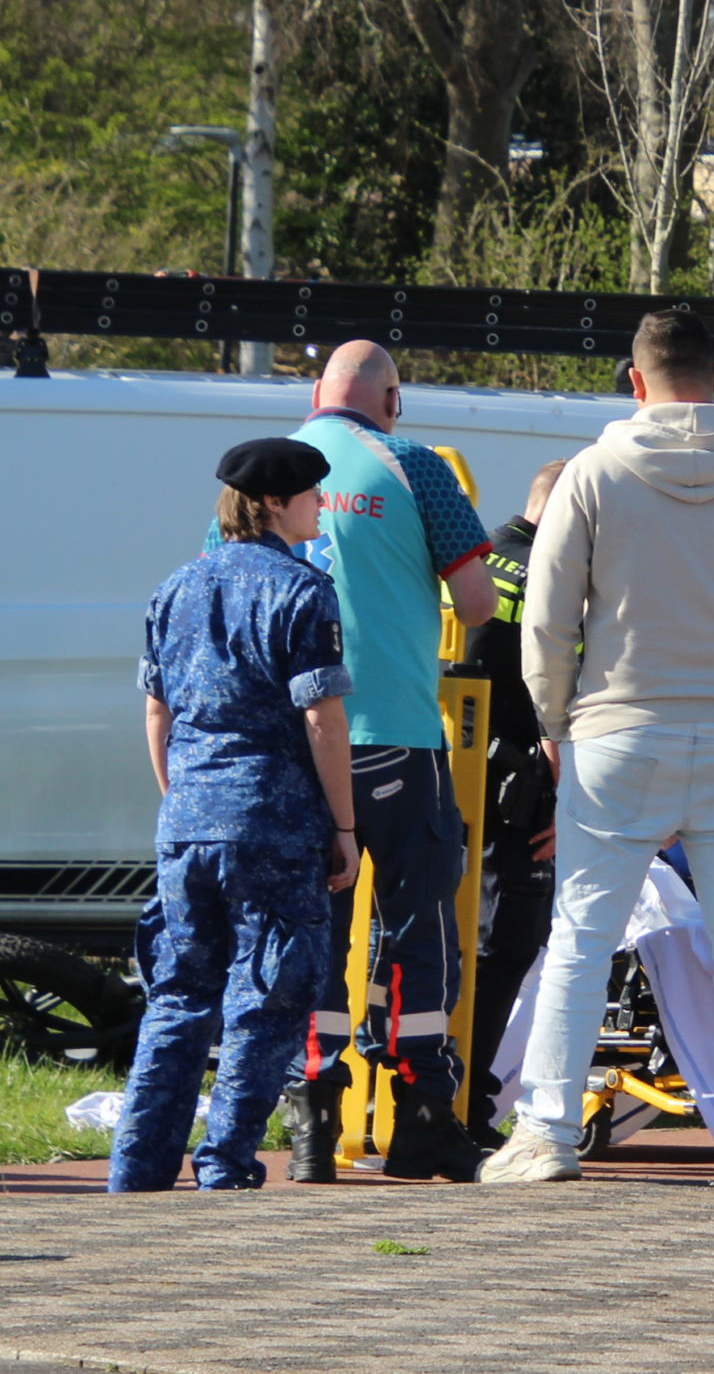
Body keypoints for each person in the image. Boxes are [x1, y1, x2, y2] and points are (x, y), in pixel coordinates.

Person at [480, 309, 714, 1192]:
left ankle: (546, 1132)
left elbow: (549, 624)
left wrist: (560, 729)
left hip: (615, 732)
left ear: (635, 384)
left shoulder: (593, 475)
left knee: (581, 937)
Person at [272, 341, 498, 1185]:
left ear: (313, 393)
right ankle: (423, 1122)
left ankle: (309, 1125)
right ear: (392, 401)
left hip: (297, 741)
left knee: (312, 930)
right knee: (416, 928)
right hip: (397, 729)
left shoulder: (270, 471)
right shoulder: (412, 465)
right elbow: (476, 603)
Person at [110, 439, 360, 1192]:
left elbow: (157, 710)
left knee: (178, 997)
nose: (324, 504)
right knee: (268, 995)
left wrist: (180, 798)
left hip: (186, 822)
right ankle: (224, 1164)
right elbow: (323, 717)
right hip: (272, 824)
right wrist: (344, 828)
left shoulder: (175, 587)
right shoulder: (304, 591)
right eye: (315, 494)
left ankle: (138, 1170)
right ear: (275, 503)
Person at [458, 460, 567, 1147]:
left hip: (443, 772)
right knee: (508, 943)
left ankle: (412, 1092)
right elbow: (565, 700)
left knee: (432, 944)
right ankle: (468, 1101)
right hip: (519, 787)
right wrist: (563, 801)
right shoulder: (560, 580)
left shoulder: (468, 561)